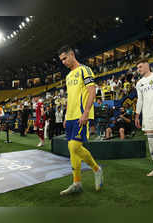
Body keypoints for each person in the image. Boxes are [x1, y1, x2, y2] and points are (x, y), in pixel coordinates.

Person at [58, 45, 103, 195]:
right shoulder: (68, 76)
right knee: (72, 150)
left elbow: (92, 91)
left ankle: (97, 169)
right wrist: (65, 116)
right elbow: (70, 97)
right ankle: (77, 183)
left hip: (81, 114)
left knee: (75, 147)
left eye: (65, 58)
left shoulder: (85, 69)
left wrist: (86, 113)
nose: (63, 62)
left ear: (72, 54)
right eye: (61, 60)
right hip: (70, 116)